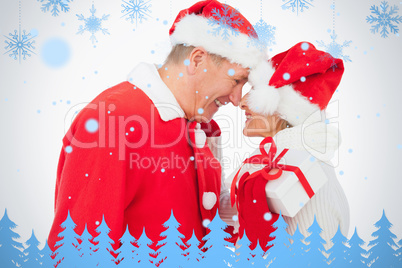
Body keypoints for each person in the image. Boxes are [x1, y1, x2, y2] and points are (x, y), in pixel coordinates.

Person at [47, 0, 270, 260]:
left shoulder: (197, 126)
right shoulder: (113, 120)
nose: (235, 99)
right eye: (235, 81)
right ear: (197, 60)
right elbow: (77, 252)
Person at [226, 42, 350, 251]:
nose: (242, 102)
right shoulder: (262, 166)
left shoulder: (310, 178)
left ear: (284, 110)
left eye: (256, 92)